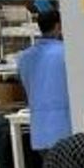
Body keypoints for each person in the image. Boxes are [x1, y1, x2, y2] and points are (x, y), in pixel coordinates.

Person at [16, 9, 70, 151]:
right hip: (65, 130)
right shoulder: (67, 53)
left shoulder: (24, 57)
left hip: (39, 131)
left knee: (48, 165)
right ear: (58, 26)